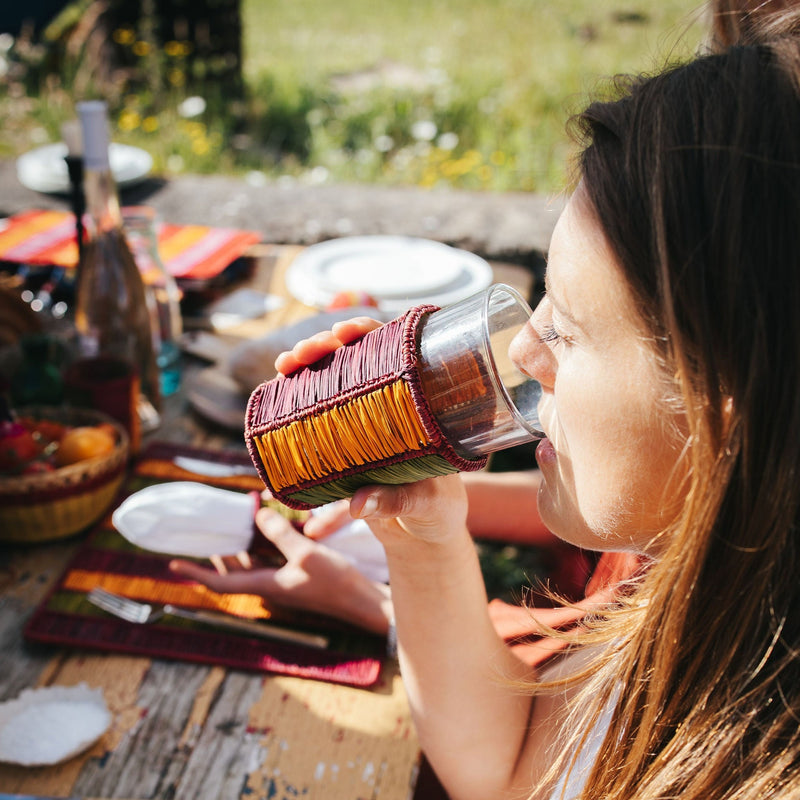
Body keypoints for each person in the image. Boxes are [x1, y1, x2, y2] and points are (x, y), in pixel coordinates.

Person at [179, 5, 800, 798]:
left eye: (567, 331)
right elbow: (508, 768)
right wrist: (425, 540)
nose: (523, 352)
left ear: (721, 414)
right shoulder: (681, 591)